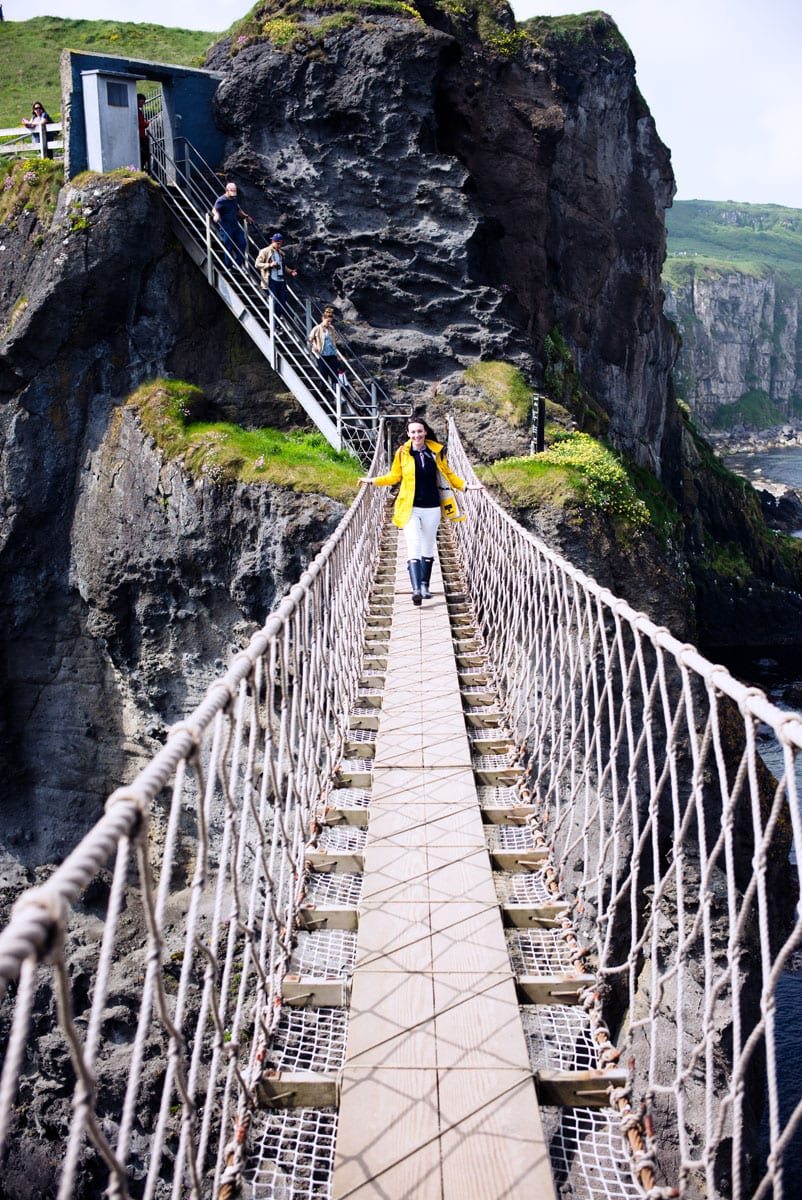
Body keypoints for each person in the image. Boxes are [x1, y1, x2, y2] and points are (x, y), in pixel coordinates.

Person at [359, 417, 483, 605]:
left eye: (420, 431)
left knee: (427, 547)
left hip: (433, 507)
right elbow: (394, 476)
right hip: (410, 508)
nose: (416, 435)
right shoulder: (402, 453)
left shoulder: (436, 452)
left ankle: (425, 585)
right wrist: (373, 481)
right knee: (414, 545)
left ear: (425, 432)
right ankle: (416, 590)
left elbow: (448, 475)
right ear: (408, 434)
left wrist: (467, 486)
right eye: (413, 432)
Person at [212, 181, 252, 268]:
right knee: (228, 245)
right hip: (226, 227)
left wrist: (246, 216)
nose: (233, 195)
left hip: (235, 225)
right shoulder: (221, 200)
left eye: (234, 193)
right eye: (232, 193)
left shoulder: (234, 200)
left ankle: (238, 264)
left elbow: (238, 211)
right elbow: (215, 209)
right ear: (227, 190)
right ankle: (228, 266)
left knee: (242, 242)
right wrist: (217, 215)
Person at [255, 232, 297, 311]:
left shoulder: (281, 253)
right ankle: (274, 322)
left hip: (280, 280)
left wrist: (290, 271)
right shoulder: (265, 251)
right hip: (271, 279)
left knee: (283, 301)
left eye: (280, 244)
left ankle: (276, 319)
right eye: (277, 243)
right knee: (275, 301)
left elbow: (283, 266)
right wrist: (270, 265)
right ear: (272, 242)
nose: (279, 246)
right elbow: (257, 264)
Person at [308, 307, 345, 383]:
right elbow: (311, 339)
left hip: (332, 355)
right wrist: (315, 345)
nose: (329, 323)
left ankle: (336, 392)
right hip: (322, 355)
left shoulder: (331, 328)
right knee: (324, 375)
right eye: (328, 321)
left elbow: (334, 342)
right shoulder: (317, 328)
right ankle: (323, 392)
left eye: (330, 322)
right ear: (323, 319)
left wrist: (337, 355)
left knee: (335, 375)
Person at [136, 94, 150, 173]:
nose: (142, 104)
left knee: (145, 154)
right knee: (144, 154)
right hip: (140, 136)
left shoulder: (138, 111)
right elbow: (138, 123)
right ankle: (141, 168)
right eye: (141, 102)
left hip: (141, 135)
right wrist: (146, 124)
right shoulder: (136, 111)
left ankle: (142, 168)